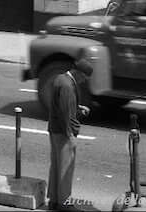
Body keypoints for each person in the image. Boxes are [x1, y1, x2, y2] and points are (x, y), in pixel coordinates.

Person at [46, 57, 93, 211]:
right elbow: (65, 114)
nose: (84, 81)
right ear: (78, 73)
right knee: (66, 168)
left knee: (56, 165)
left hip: (54, 129)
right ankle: (64, 203)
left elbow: (62, 104)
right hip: (63, 132)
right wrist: (71, 136)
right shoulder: (67, 86)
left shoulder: (61, 78)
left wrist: (77, 107)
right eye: (84, 77)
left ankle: (53, 199)